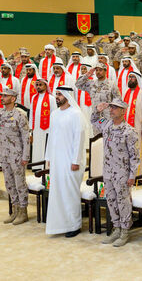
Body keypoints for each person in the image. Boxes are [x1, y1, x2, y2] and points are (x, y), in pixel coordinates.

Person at [91, 100, 140, 247]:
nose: (111, 110)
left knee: (123, 201)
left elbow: (134, 156)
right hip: (108, 171)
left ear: (123, 111)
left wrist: (132, 175)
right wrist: (97, 109)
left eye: (115, 108)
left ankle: (125, 231)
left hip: (122, 173)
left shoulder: (129, 131)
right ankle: (116, 228)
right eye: (111, 107)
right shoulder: (106, 125)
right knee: (111, 200)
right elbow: (94, 120)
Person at [0, 88, 31, 225]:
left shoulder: (20, 115)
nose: (2, 98)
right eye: (2, 95)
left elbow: (26, 137)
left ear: (13, 98)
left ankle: (23, 211)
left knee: (19, 182)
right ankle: (14, 210)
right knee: (9, 182)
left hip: (17, 154)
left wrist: (25, 156)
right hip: (4, 154)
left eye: (5, 96)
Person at [45, 86, 88, 238]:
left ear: (67, 96)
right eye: (56, 94)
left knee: (70, 194)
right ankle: (60, 224)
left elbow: (79, 139)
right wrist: (49, 158)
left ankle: (74, 225)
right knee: (58, 193)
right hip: (57, 161)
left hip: (71, 162)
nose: (57, 97)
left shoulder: (76, 114)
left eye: (59, 94)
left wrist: (76, 160)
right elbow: (51, 137)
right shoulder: (55, 114)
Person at [121, 71, 142, 175]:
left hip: (138, 128)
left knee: (137, 151)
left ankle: (138, 175)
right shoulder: (126, 93)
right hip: (125, 128)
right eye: (129, 77)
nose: (130, 79)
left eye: (133, 77)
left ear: (138, 80)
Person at [29, 79, 57, 165]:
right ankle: (36, 166)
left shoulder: (51, 98)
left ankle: (44, 166)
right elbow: (31, 114)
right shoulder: (34, 97)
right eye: (37, 85)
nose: (38, 87)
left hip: (47, 128)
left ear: (46, 86)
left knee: (45, 146)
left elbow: (54, 114)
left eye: (40, 85)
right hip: (36, 128)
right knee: (36, 146)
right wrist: (30, 130)